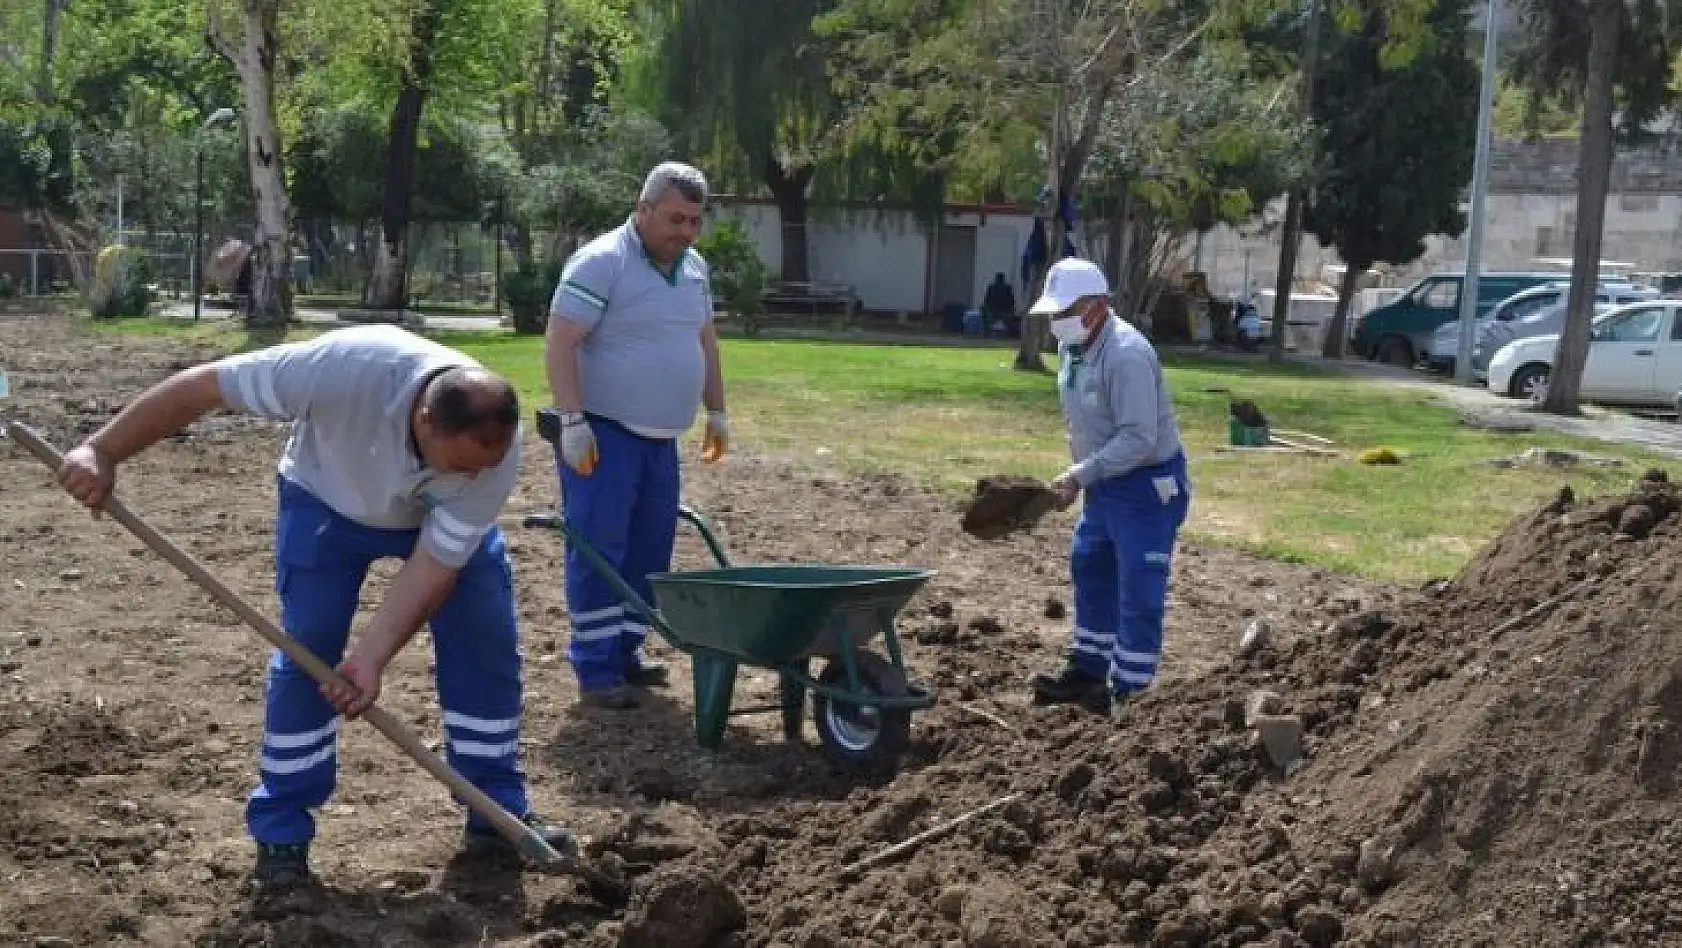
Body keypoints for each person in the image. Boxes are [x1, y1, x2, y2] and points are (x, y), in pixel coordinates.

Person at [52, 324, 577, 887]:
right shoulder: (341, 369)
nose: (475, 475)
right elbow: (203, 387)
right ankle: (282, 834)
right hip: (326, 501)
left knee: (484, 643)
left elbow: (435, 567)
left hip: (432, 529)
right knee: (309, 651)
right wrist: (101, 450)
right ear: (425, 419)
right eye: (459, 464)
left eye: (482, 466)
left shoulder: (492, 449)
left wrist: (372, 657)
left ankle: (494, 811)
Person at [544, 161, 730, 710]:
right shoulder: (604, 262)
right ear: (643, 209)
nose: (686, 232)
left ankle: (626, 649)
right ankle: (597, 668)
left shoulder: (693, 267)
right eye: (675, 219)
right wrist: (572, 422)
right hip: (605, 433)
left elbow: (706, 341)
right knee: (601, 545)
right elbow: (560, 342)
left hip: (660, 438)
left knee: (650, 550)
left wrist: (716, 412)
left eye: (695, 222)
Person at [1025, 257, 1192, 714]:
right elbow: (1085, 420)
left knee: (1139, 583)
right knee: (1090, 564)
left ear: (1097, 306)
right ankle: (1088, 670)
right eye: (1054, 313)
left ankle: (1132, 690)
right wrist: (1080, 477)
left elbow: (1139, 438)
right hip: (1103, 483)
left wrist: (1080, 474)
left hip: (1146, 488)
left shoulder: (1128, 354)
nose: (1058, 321)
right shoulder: (1073, 350)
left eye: (1066, 311)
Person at [983, 272, 1018, 338]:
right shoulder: (1007, 288)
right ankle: (1009, 335)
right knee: (1009, 323)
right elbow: (1012, 301)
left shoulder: (991, 287)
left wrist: (988, 309)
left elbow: (987, 300)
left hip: (993, 311)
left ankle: (987, 335)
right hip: (1005, 311)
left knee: (987, 323)